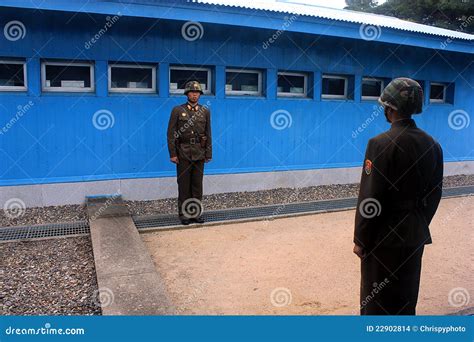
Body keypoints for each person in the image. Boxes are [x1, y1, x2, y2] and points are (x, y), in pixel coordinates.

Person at [353, 77, 443, 315]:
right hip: (414, 236)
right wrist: (418, 222)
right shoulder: (433, 145)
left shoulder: (379, 144)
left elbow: (370, 197)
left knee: (377, 302)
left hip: (382, 238)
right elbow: (435, 194)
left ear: (389, 109)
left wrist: (361, 239)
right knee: (405, 298)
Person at [167, 81, 212, 225]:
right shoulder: (177, 110)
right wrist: (173, 154)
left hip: (199, 152)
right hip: (183, 153)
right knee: (184, 186)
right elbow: (170, 133)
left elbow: (208, 132)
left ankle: (196, 214)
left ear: (200, 94)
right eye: (192, 92)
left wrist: (208, 153)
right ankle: (184, 215)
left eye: (197, 92)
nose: (194, 94)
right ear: (187, 94)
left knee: (197, 186)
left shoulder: (205, 111)